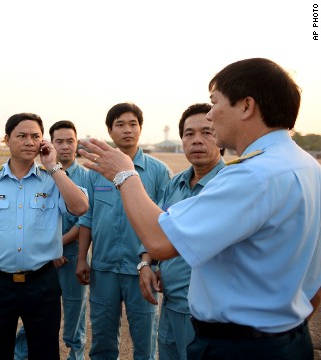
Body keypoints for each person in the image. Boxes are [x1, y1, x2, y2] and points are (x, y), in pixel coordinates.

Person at [79, 58, 321, 359]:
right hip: (286, 338)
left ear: (246, 106)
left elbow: (160, 241)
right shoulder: (307, 166)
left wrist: (125, 174)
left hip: (240, 346)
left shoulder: (252, 176)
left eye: (214, 102)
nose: (210, 114)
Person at [0, 112, 89, 360]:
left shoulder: (53, 180)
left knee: (44, 353)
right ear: (7, 139)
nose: (30, 141)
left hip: (42, 284)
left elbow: (80, 207)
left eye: (35, 136)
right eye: (22, 135)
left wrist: (53, 167)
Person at [75, 102, 171, 360]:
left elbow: (165, 223)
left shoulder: (159, 172)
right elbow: (87, 217)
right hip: (103, 268)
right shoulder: (95, 172)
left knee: (145, 342)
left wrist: (154, 264)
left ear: (140, 128)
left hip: (142, 270)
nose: (127, 130)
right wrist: (83, 258)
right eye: (120, 125)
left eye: (133, 124)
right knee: (103, 342)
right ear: (110, 130)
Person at [137, 103, 224, 360]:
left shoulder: (228, 185)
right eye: (189, 134)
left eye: (206, 132)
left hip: (205, 314)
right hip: (171, 304)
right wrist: (145, 263)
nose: (196, 140)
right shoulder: (176, 182)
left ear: (220, 137)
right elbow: (159, 226)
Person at [14, 120, 90, 360]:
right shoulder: (39, 176)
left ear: (76, 143)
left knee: (74, 312)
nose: (65, 147)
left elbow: (85, 219)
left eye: (70, 141)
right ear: (50, 144)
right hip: (44, 259)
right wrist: (50, 250)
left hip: (72, 257)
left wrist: (58, 246)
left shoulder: (87, 178)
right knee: (33, 311)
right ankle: (22, 354)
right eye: (59, 141)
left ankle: (74, 355)